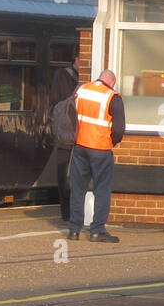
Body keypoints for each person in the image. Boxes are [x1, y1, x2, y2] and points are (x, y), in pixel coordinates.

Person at [67, 68, 125, 243]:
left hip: (79, 146)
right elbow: (119, 129)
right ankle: (97, 231)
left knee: (78, 189)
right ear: (112, 82)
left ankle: (74, 230)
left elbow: (70, 114)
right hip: (100, 148)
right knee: (102, 190)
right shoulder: (112, 97)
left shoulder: (81, 90)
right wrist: (112, 142)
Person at [50, 54, 81, 221]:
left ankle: (71, 212)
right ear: (76, 59)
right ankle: (67, 212)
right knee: (64, 174)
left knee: (69, 174)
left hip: (71, 135)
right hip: (67, 135)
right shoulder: (63, 76)